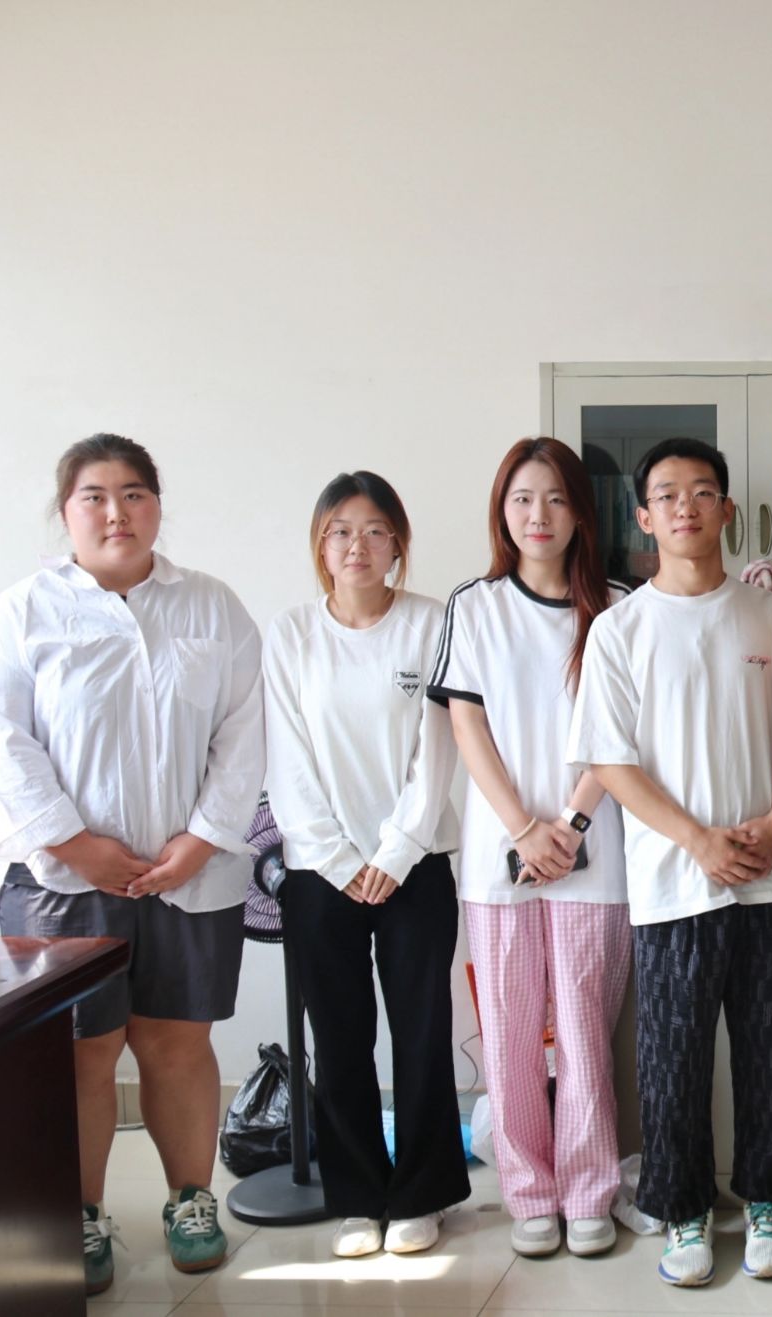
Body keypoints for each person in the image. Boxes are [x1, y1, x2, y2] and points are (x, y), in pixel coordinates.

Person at [0, 434, 264, 1293]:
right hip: (63, 879)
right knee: (80, 1050)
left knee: (178, 1041)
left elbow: (245, 732)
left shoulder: (212, 606)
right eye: (95, 496)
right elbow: (7, 742)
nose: (117, 512)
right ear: (66, 510)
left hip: (191, 874)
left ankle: (191, 1200)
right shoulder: (25, 610)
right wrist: (76, 844)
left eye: (135, 493)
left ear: (157, 503)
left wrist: (202, 838)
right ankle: (76, 1214)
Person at [568, 437, 772, 1288]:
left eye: (703, 491)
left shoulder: (768, 614)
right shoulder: (619, 629)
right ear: (644, 517)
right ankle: (683, 1210)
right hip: (673, 883)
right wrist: (698, 838)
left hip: (769, 877)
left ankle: (766, 1203)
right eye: (668, 494)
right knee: (672, 1059)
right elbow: (610, 762)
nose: (686, 506)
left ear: (726, 511)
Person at [430, 438, 633, 1260]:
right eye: (521, 498)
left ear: (581, 510)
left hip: (596, 851)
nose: (537, 515)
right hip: (498, 856)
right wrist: (523, 828)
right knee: (510, 1032)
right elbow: (467, 725)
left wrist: (571, 824)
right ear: (501, 511)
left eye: (554, 498)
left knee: (584, 1029)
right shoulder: (474, 605)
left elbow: (623, 728)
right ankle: (529, 1191)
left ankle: (588, 1190)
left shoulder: (618, 605)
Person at [263, 470, 466, 1259]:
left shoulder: (431, 622)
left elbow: (437, 750)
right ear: (321, 545)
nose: (358, 545)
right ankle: (357, 1197)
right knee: (340, 1035)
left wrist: (397, 851)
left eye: (375, 530)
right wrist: (340, 859)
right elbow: (287, 759)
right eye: (340, 531)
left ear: (397, 544)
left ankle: (421, 1194)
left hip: (415, 864)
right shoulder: (291, 634)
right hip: (321, 872)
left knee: (422, 1030)